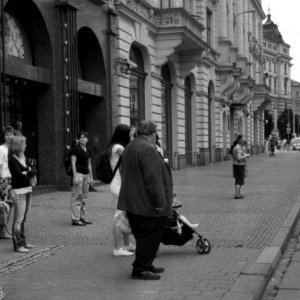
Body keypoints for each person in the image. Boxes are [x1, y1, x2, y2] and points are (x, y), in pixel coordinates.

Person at [117, 120, 173, 280]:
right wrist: (161, 202)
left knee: (143, 236)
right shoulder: (147, 148)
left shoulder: (132, 145)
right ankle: (140, 268)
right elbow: (153, 179)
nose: (157, 136)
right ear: (152, 134)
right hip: (146, 204)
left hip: (134, 201)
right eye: (156, 133)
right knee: (150, 236)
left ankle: (146, 264)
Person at [109, 124, 135, 257]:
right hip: (117, 185)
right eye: (129, 133)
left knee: (124, 215)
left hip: (120, 185)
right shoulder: (118, 147)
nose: (131, 135)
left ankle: (126, 244)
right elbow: (130, 155)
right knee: (119, 217)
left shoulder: (118, 146)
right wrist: (131, 138)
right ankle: (117, 248)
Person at [8, 135, 37, 253]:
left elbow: (34, 169)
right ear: (18, 145)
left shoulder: (24, 156)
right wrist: (28, 172)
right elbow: (18, 175)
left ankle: (23, 242)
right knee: (18, 219)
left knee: (24, 219)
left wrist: (27, 172)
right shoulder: (12, 159)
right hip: (19, 192)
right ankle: (18, 244)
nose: (25, 145)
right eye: (24, 143)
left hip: (28, 189)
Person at [70, 131, 93, 226]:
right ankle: (75, 219)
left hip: (86, 175)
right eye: (81, 137)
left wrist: (91, 177)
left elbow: (89, 164)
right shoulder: (75, 149)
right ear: (78, 139)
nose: (83, 139)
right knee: (76, 197)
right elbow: (73, 163)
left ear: (87, 139)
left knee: (84, 198)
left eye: (85, 137)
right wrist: (75, 176)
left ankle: (82, 217)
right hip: (78, 175)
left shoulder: (88, 150)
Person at [0, 126, 15, 239]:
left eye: (11, 134)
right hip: (4, 179)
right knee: (5, 204)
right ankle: (3, 230)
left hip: (14, 178)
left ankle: (5, 228)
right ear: (4, 137)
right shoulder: (1, 149)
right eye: (7, 135)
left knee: (11, 204)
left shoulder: (15, 148)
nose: (9, 136)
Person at [232, 134, 250, 199]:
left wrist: (244, 154)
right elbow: (239, 157)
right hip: (238, 165)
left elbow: (240, 154)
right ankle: (237, 194)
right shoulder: (238, 147)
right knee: (239, 180)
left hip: (238, 165)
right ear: (240, 141)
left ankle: (238, 194)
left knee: (239, 179)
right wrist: (246, 155)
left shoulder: (239, 147)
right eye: (243, 140)